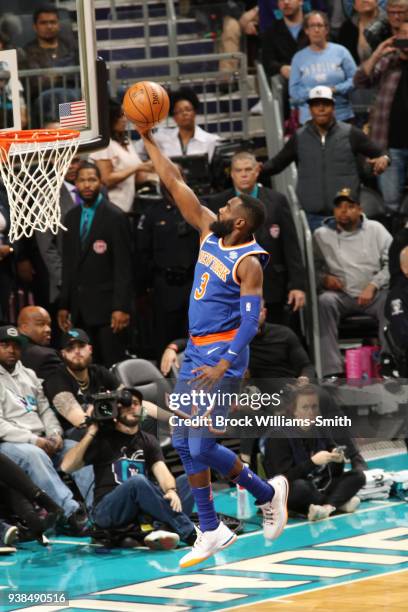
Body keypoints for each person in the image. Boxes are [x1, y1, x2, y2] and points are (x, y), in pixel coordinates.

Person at [137, 126, 289, 569]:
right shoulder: (208, 232)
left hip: (224, 356)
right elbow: (173, 180)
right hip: (198, 351)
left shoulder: (248, 262)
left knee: (201, 446)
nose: (218, 206)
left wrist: (224, 364)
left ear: (240, 222)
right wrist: (147, 137)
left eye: (227, 206)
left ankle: (268, 492)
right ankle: (210, 528)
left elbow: (249, 322)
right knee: (185, 442)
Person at [61, 387, 196, 550]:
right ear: (116, 410)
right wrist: (92, 431)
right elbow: (66, 466)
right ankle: (189, 533)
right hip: (107, 511)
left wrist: (171, 490)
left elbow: (162, 472)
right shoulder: (101, 439)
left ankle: (162, 530)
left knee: (190, 480)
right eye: (125, 404)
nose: (132, 407)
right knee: (138, 482)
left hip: (140, 510)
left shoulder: (148, 440)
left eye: (136, 403)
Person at [0, 325, 91, 531]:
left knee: (78, 448)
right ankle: (72, 514)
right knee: (35, 455)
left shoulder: (29, 375)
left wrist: (55, 434)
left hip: (43, 439)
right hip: (11, 446)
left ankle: (100, 509)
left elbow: (45, 411)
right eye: (5, 345)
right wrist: (34, 440)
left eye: (16, 346)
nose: (11, 350)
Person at [263, 85, 390, 231]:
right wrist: (259, 169)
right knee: (315, 254)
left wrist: (384, 158)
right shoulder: (299, 137)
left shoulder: (350, 133)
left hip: (347, 216)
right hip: (312, 217)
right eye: (316, 105)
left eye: (325, 104)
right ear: (310, 109)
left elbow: (381, 153)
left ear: (333, 107)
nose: (321, 109)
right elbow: (277, 163)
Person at [209, 151, 306, 323]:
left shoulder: (277, 200)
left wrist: (297, 285)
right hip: (232, 286)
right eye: (238, 170)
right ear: (231, 174)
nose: (244, 174)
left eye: (248, 169)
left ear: (257, 171)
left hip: (272, 285)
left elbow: (290, 245)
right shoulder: (218, 204)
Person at [57, 161, 133, 367]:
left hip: (108, 309)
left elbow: (124, 267)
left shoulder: (115, 216)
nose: (87, 185)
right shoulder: (71, 217)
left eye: (92, 179)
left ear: (100, 182)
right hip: (80, 307)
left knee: (112, 363)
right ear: (75, 183)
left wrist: (121, 307)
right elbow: (69, 265)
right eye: (82, 180)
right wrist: (64, 303)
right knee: (86, 366)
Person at [314, 188, 392, 377]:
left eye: (350, 207)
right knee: (324, 301)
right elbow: (311, 268)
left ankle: (389, 361)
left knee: (392, 300)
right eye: (339, 207)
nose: (344, 211)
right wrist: (324, 279)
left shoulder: (376, 229)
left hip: (373, 295)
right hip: (341, 296)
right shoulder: (320, 235)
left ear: (359, 208)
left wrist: (374, 285)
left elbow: (393, 262)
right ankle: (332, 371)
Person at [263, 384, 366, 520]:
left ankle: (326, 508)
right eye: (305, 407)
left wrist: (337, 459)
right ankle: (337, 504)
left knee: (358, 476)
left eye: (314, 407)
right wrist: (312, 462)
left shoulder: (320, 428)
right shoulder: (279, 436)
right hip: (290, 489)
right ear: (294, 410)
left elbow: (333, 474)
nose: (311, 412)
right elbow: (282, 480)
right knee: (301, 487)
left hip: (319, 485)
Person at [135, 182, 199, 359]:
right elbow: (142, 252)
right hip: (165, 287)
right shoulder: (151, 213)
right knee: (164, 340)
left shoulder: (198, 207)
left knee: (198, 336)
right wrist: (145, 288)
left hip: (195, 285)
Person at [354, 18, 408, 214]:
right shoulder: (388, 62)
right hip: (389, 148)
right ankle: (396, 244)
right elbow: (360, 80)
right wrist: (378, 53)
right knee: (391, 204)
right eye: (403, 37)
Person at [289, 11, 357, 125]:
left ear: (326, 29)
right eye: (312, 26)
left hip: (341, 116)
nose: (316, 30)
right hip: (309, 119)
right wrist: (316, 93)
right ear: (306, 30)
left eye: (320, 25)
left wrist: (335, 89)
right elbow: (294, 91)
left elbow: (355, 79)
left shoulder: (341, 51)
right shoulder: (298, 58)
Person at [90, 100, 156, 214]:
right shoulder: (103, 145)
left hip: (127, 208)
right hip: (108, 209)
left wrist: (156, 175)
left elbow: (136, 177)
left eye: (125, 115)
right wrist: (137, 167)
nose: (124, 119)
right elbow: (106, 180)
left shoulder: (127, 142)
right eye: (120, 116)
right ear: (109, 119)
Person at [35, 154, 80, 308]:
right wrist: (62, 278)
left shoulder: (97, 191)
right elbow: (46, 246)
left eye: (75, 161)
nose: (72, 166)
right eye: (66, 161)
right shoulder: (47, 194)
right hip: (65, 282)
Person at [136, 87, 220, 162]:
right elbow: (138, 150)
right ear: (174, 117)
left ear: (195, 112)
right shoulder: (161, 137)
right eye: (179, 111)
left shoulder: (211, 141)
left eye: (188, 109)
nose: (184, 113)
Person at [261, 0, 308, 118]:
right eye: (281, 0)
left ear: (301, 1)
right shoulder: (271, 32)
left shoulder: (313, 27)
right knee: (279, 82)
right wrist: (281, 68)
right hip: (286, 81)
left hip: (312, 74)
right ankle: (287, 126)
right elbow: (268, 62)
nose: (286, 2)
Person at [18, 306, 63, 380]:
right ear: (24, 327)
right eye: (41, 324)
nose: (48, 329)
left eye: (49, 325)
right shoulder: (47, 356)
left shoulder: (4, 350)